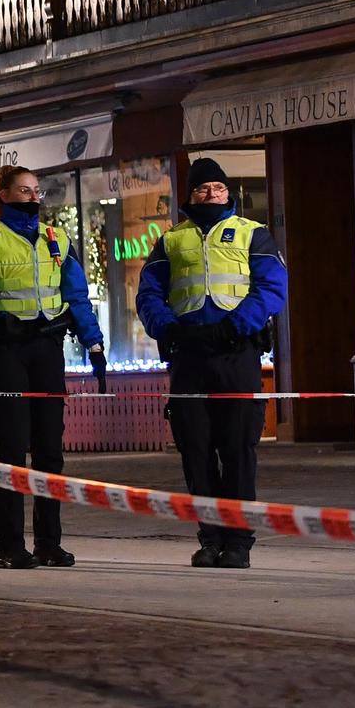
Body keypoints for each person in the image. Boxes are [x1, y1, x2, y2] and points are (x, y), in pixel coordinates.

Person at [135, 158, 288, 570]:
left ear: (228, 193)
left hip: (236, 352)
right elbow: (148, 294)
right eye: (203, 189)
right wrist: (169, 329)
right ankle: (210, 538)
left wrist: (235, 326)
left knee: (238, 451)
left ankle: (238, 542)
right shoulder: (170, 240)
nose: (211, 195)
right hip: (188, 356)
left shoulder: (253, 234)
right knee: (196, 451)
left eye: (218, 188)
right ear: (190, 195)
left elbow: (272, 288)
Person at [0, 165, 106, 570]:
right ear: (2, 194)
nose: (33, 196)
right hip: (4, 351)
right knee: (11, 451)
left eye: (36, 190)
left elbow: (77, 296)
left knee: (50, 452)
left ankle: (49, 544)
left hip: (46, 349)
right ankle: (9, 546)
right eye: (23, 190)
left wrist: (94, 344)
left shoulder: (56, 238)